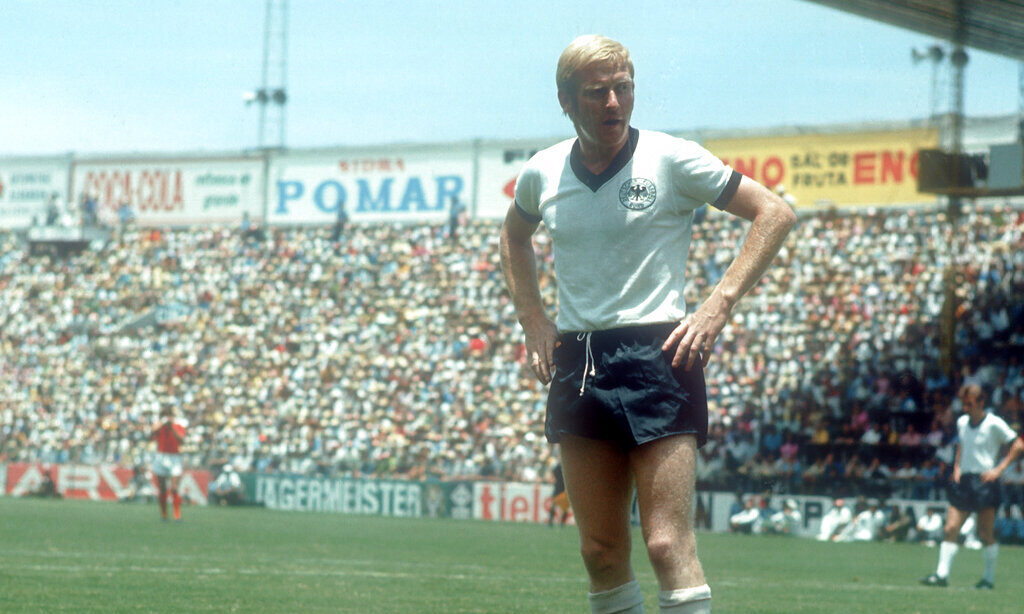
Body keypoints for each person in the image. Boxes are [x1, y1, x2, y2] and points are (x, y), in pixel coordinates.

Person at [499, 34, 796, 614]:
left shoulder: (671, 157)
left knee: (665, 543)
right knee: (600, 550)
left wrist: (718, 304)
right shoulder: (543, 171)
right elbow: (513, 237)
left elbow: (774, 213)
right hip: (580, 360)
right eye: (597, 92)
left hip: (659, 355)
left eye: (623, 88)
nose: (613, 102)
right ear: (566, 101)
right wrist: (532, 317)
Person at [921, 384, 1019, 589]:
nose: (966, 408)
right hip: (964, 481)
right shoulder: (962, 422)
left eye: (970, 404)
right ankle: (941, 575)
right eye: (964, 404)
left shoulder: (994, 423)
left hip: (985, 482)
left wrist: (998, 470)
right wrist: (957, 467)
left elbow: (1018, 444)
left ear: (981, 402)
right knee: (950, 528)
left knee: (985, 534)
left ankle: (988, 579)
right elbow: (962, 444)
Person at [150, 406, 187, 522]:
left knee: (174, 488)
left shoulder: (178, 426)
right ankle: (164, 514)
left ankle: (177, 514)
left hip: (174, 457)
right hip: (161, 456)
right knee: (162, 489)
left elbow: (181, 440)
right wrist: (161, 424)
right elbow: (151, 435)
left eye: (170, 415)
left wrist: (171, 429)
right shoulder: (159, 426)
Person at [548, 461, 570, 526]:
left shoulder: (557, 467)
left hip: (558, 489)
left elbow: (552, 474)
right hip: (562, 489)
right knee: (564, 508)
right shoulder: (565, 468)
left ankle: (551, 522)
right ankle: (562, 523)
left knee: (554, 506)